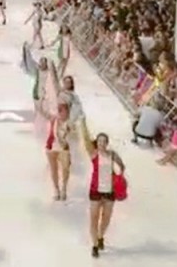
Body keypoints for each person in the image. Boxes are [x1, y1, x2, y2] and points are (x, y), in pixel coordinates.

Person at [79, 125, 126, 258]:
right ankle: (95, 245)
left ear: (107, 143)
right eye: (99, 141)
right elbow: (86, 140)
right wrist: (82, 124)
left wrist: (118, 177)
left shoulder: (112, 154)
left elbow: (122, 166)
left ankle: (100, 236)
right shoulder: (93, 154)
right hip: (96, 190)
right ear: (97, 142)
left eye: (104, 141)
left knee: (106, 218)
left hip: (109, 191)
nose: (101, 143)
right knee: (93, 218)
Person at [38, 102, 75, 201]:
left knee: (65, 168)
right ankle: (56, 189)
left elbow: (73, 135)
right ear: (60, 112)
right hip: (51, 147)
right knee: (53, 169)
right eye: (64, 112)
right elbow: (42, 112)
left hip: (63, 148)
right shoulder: (54, 119)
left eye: (67, 112)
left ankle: (64, 188)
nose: (66, 114)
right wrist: (40, 102)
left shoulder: (69, 123)